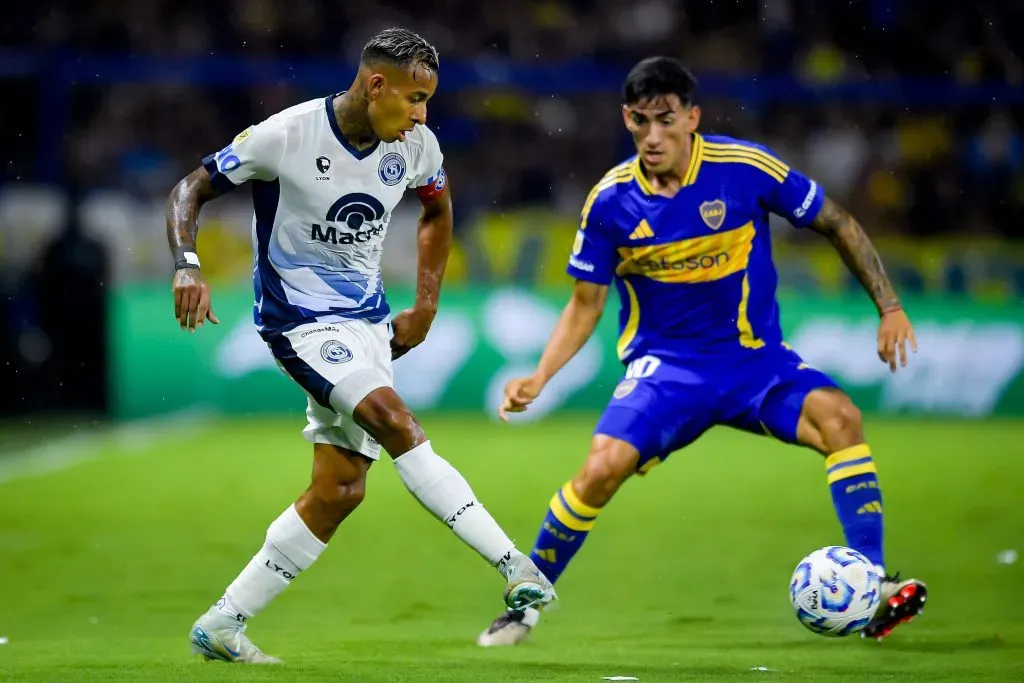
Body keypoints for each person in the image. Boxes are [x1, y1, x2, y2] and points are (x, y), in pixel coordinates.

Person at [476, 56, 925, 647]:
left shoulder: (743, 168)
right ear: (626, 119)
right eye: (640, 122)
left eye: (666, 120)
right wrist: (540, 374)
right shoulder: (610, 202)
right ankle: (526, 602)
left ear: (693, 117)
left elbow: (837, 221)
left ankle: (871, 585)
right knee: (601, 466)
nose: (653, 135)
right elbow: (585, 303)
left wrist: (889, 306)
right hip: (667, 371)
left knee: (841, 418)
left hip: (755, 363)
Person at [165, 28, 555, 664]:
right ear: (376, 85)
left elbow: (438, 212)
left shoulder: (417, 147)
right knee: (393, 420)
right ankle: (515, 567)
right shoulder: (285, 135)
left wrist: (427, 303)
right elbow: (190, 189)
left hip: (369, 326)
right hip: (300, 324)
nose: (423, 115)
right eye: (415, 98)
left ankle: (223, 624)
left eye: (429, 101)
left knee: (340, 489)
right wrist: (186, 264)